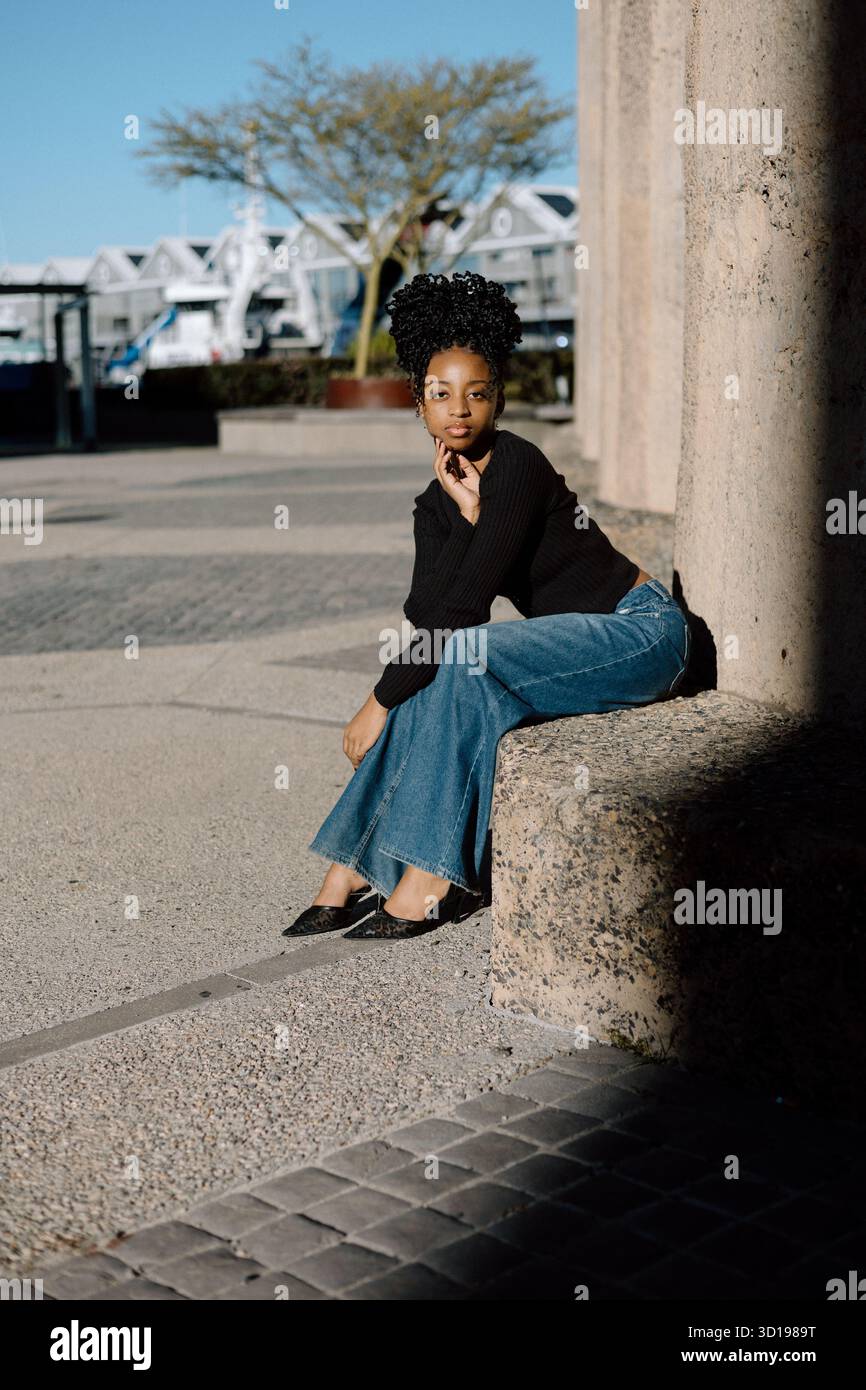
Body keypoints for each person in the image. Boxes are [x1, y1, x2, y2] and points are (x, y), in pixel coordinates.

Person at [284, 271, 690, 941]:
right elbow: (429, 610)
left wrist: (379, 698)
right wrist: (464, 520)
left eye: (477, 394)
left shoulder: (518, 467)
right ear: (418, 403)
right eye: (441, 395)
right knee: (444, 667)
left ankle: (431, 876)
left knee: (463, 659)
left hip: (643, 633)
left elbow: (465, 612)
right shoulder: (434, 502)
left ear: (498, 399)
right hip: (581, 639)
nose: (459, 409)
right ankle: (352, 869)